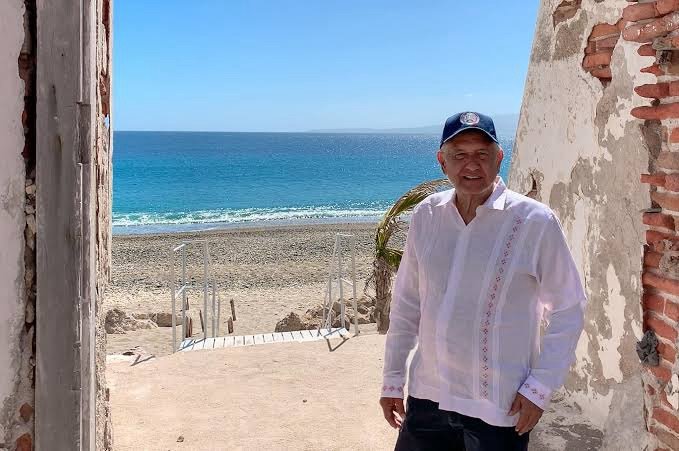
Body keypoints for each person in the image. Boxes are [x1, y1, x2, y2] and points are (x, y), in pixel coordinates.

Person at [378, 112, 586, 450]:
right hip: (429, 395)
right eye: (459, 155)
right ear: (442, 161)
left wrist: (539, 388)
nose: (471, 165)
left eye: (482, 154)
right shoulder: (427, 215)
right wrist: (392, 379)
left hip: (499, 404)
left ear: (499, 158)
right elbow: (407, 303)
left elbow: (569, 307)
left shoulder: (535, 221)